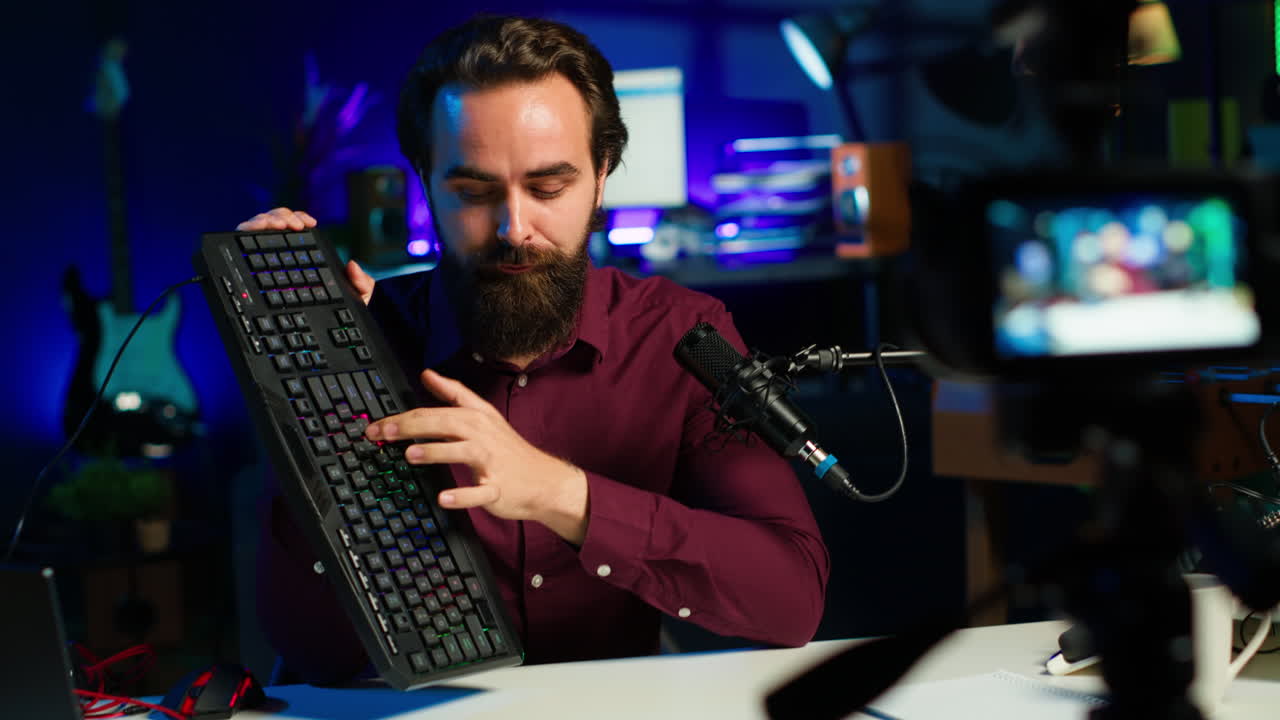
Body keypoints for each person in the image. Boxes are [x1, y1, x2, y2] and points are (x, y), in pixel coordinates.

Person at [240, 15, 829, 684]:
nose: (514, 227)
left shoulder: (681, 338)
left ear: (603, 176)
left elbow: (791, 600)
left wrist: (562, 494)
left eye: (549, 188)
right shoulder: (363, 339)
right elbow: (307, 646)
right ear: (424, 181)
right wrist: (307, 400)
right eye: (472, 193)